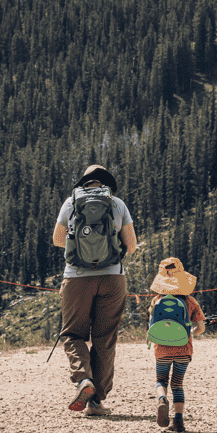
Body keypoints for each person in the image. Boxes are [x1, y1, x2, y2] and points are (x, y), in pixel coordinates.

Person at [52, 163, 137, 415]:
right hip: (112, 278)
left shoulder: (71, 203)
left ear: (84, 182)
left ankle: (83, 379)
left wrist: (80, 248)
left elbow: (57, 240)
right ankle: (97, 401)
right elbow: (131, 246)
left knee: (72, 334)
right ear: (105, 182)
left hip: (76, 278)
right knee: (105, 339)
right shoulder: (117, 204)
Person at [148, 257, 206, 433]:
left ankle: (162, 398)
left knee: (161, 380)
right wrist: (193, 332)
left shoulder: (156, 300)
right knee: (178, 384)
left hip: (162, 350)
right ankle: (178, 421)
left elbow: (151, 323)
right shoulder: (190, 301)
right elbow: (201, 328)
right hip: (183, 349)